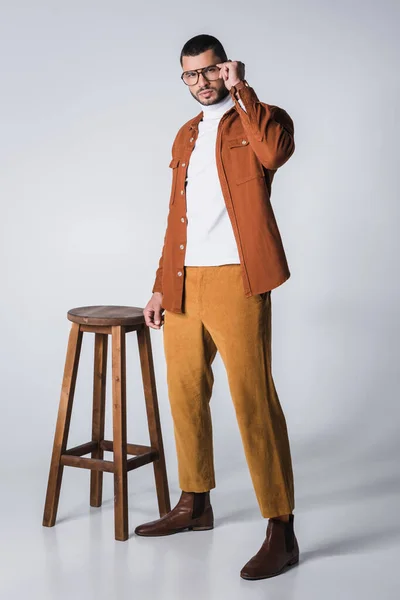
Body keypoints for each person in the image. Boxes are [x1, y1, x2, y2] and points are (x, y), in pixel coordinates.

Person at [135, 33, 299, 580]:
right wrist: (161, 285)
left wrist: (242, 90)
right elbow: (174, 215)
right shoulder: (185, 135)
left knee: (253, 399)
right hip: (184, 282)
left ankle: (281, 528)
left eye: (209, 71)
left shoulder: (261, 117)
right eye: (190, 75)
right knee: (184, 393)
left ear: (225, 68)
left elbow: (274, 153)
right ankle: (194, 503)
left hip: (239, 277)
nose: (200, 82)